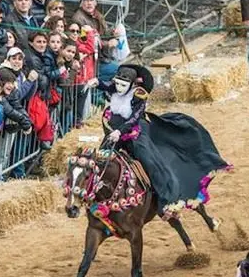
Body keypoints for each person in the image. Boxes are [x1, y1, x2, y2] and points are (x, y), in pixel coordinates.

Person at [86, 65, 231, 218]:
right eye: (118, 84)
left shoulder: (139, 95)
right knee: (100, 160)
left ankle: (167, 200)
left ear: (133, 85)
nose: (119, 88)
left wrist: (120, 131)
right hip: (114, 133)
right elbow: (109, 87)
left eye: (124, 85)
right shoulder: (116, 87)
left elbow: (135, 117)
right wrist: (97, 83)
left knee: (150, 162)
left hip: (135, 133)